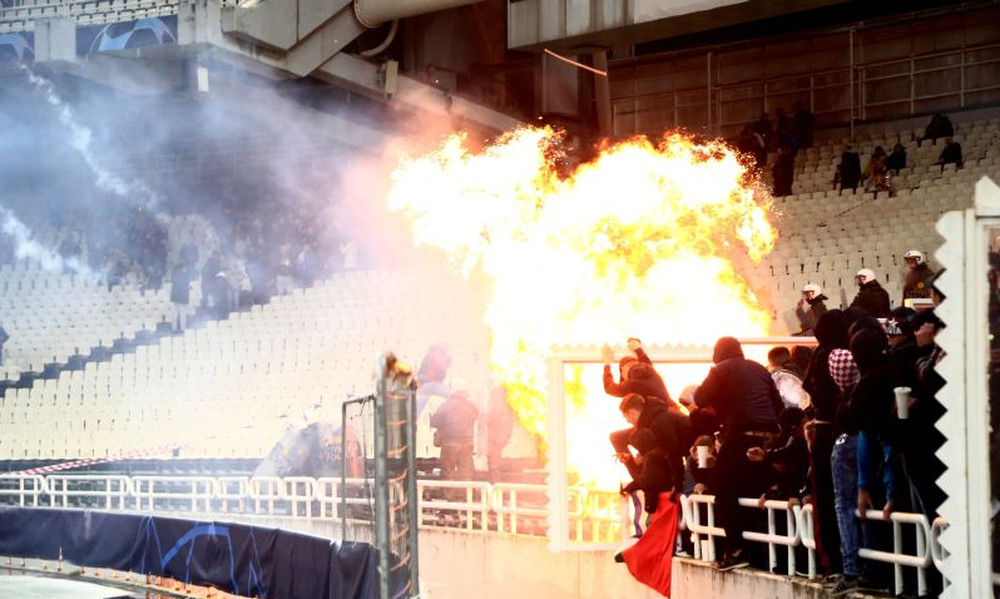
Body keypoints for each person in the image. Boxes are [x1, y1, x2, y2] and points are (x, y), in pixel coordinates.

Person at [693, 337, 783, 571]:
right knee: (754, 489)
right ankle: (760, 551)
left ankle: (736, 549)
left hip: (739, 434)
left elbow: (700, 398)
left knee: (724, 491)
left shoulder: (719, 370)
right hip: (769, 435)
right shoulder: (760, 368)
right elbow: (777, 403)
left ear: (718, 353)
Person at [618, 394, 693, 514]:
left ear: (632, 412)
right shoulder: (656, 417)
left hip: (696, 454)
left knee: (689, 498)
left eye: (626, 417)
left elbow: (673, 452)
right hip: (692, 453)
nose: (627, 421)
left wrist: (677, 484)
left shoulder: (659, 422)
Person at [430, 389, 480, 486]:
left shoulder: (446, 405)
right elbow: (477, 416)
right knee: (465, 471)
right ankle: (465, 495)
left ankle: (449, 496)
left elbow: (435, 422)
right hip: (467, 442)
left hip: (450, 442)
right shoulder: (472, 406)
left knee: (448, 470)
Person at [486, 384, 514, 483]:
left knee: (494, 466)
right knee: (492, 465)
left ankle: (495, 486)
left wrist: (501, 440)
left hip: (496, 442)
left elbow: (506, 425)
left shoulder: (502, 408)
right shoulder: (496, 407)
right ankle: (493, 485)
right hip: (492, 441)